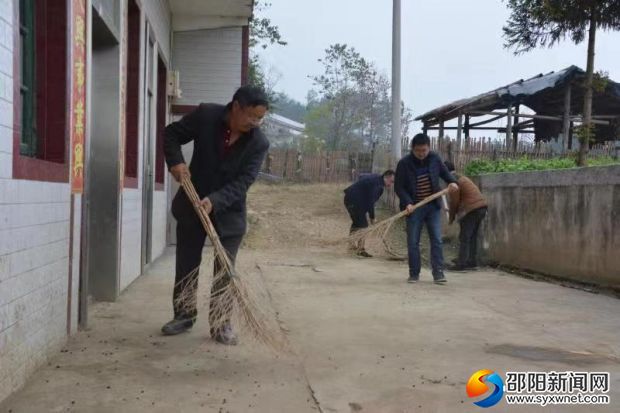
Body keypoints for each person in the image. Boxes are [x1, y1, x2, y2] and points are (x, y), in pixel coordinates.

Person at [161, 86, 270, 344]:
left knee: (224, 270)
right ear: (236, 107)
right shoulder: (207, 116)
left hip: (229, 212)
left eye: (260, 118)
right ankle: (183, 315)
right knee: (187, 263)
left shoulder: (259, 143)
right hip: (192, 203)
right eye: (252, 116)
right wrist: (175, 161)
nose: (255, 123)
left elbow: (245, 180)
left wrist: (216, 200)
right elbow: (171, 134)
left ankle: (220, 323)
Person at [394, 133, 459, 284]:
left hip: (433, 207)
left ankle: (438, 273)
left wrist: (453, 182)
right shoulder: (404, 163)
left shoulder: (435, 159)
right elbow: (399, 187)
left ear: (429, 147)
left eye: (424, 150)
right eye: (418, 151)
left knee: (436, 239)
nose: (422, 154)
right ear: (412, 149)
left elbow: (446, 174)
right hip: (414, 208)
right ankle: (414, 274)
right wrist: (408, 202)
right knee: (413, 241)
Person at [444, 161, 488, 271]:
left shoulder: (453, 181)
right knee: (472, 237)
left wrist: (451, 217)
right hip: (481, 207)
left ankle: (461, 264)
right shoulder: (461, 177)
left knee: (464, 237)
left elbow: (454, 202)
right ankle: (471, 261)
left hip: (471, 210)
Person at [343, 170, 396, 257]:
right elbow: (371, 202)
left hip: (351, 199)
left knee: (358, 222)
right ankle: (360, 249)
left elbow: (362, 178)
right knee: (363, 225)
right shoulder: (378, 185)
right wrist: (372, 217)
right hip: (353, 201)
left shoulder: (376, 178)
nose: (391, 184)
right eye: (391, 181)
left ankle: (351, 245)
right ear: (386, 177)